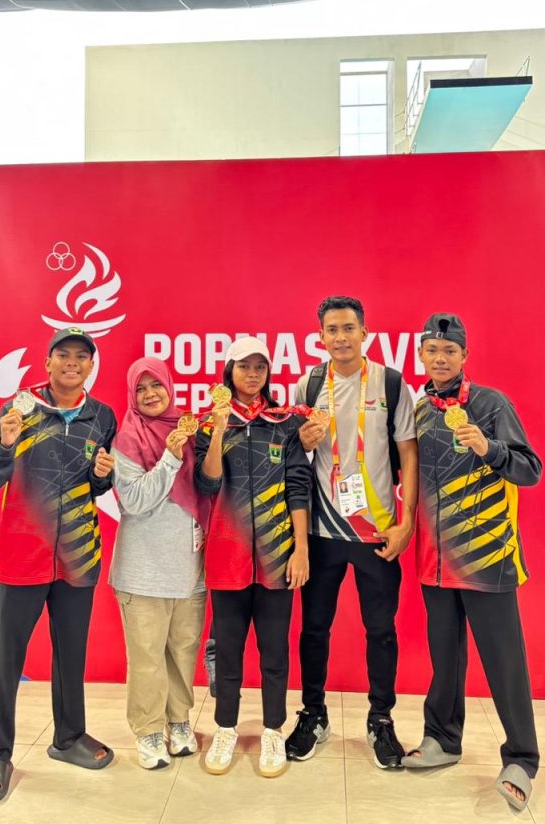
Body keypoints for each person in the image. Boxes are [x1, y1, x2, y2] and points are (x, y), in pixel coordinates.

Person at [0, 327, 117, 805]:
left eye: (82, 356)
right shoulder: (19, 409)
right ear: (48, 362)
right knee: (6, 660)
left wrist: (104, 476)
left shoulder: (102, 416)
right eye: (63, 355)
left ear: (91, 366)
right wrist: (6, 443)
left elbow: (95, 485)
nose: (72, 363)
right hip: (21, 555)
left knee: (71, 654)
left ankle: (69, 737)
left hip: (78, 556)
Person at [402, 313, 541, 811]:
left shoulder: (490, 404)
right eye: (432, 350)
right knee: (445, 658)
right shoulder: (419, 411)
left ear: (464, 356)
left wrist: (490, 447)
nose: (440, 359)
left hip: (488, 559)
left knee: (505, 663)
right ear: (421, 355)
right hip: (434, 561)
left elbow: (530, 469)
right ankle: (443, 738)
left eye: (449, 351)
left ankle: (522, 758)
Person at [285, 295, 418, 769]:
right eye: (331, 330)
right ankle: (313, 714)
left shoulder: (392, 383)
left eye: (348, 328)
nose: (340, 337)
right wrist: (300, 441)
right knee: (314, 628)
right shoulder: (308, 385)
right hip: (322, 532)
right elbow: (294, 457)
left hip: (377, 532)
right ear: (320, 336)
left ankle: (380, 719)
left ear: (365, 332)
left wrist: (406, 523)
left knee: (380, 630)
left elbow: (409, 454)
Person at [194, 337, 312, 778]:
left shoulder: (283, 424)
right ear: (229, 372)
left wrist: (301, 549)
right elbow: (206, 485)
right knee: (228, 650)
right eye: (244, 366)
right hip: (227, 555)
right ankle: (225, 727)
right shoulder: (208, 423)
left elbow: (298, 487)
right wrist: (219, 430)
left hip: (278, 557)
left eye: (260, 367)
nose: (252, 374)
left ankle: (273, 730)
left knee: (274, 651)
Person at [110, 357, 210, 769]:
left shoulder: (191, 431)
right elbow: (134, 500)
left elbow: (208, 487)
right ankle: (149, 730)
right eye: (141, 388)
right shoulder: (126, 439)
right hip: (143, 570)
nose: (151, 394)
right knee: (148, 657)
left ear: (170, 386)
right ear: (132, 395)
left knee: (183, 652)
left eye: (157, 385)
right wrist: (169, 459)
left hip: (189, 568)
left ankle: (178, 720)